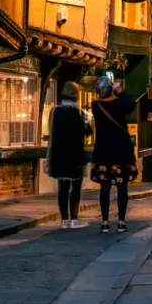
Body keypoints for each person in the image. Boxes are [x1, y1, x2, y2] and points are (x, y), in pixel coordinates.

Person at [90, 76, 137, 233]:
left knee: (105, 187)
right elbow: (131, 105)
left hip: (104, 152)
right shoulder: (120, 104)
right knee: (122, 187)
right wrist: (120, 91)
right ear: (111, 89)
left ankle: (104, 222)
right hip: (121, 151)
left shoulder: (95, 105)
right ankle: (121, 222)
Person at [46, 81, 92, 229]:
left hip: (59, 154)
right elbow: (88, 131)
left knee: (63, 188)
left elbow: (51, 131)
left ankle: (64, 220)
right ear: (76, 95)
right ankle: (74, 218)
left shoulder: (55, 111)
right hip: (75, 154)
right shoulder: (80, 113)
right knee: (76, 188)